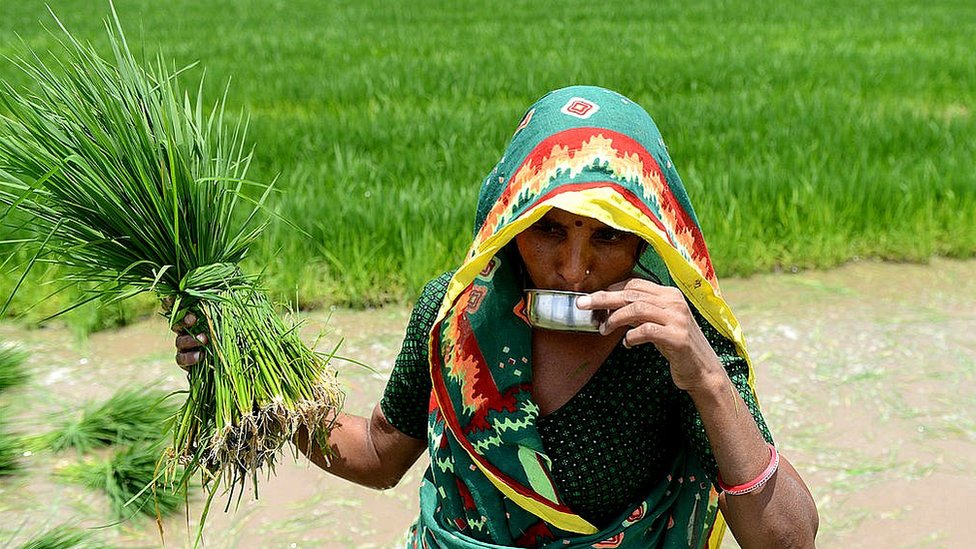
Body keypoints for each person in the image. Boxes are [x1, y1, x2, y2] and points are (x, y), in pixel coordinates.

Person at [174, 86, 818, 548]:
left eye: (606, 238)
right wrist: (252, 381)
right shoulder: (455, 320)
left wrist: (705, 376)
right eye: (550, 233)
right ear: (509, 224)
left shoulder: (674, 346)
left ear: (648, 236)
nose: (572, 270)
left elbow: (789, 541)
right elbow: (377, 452)